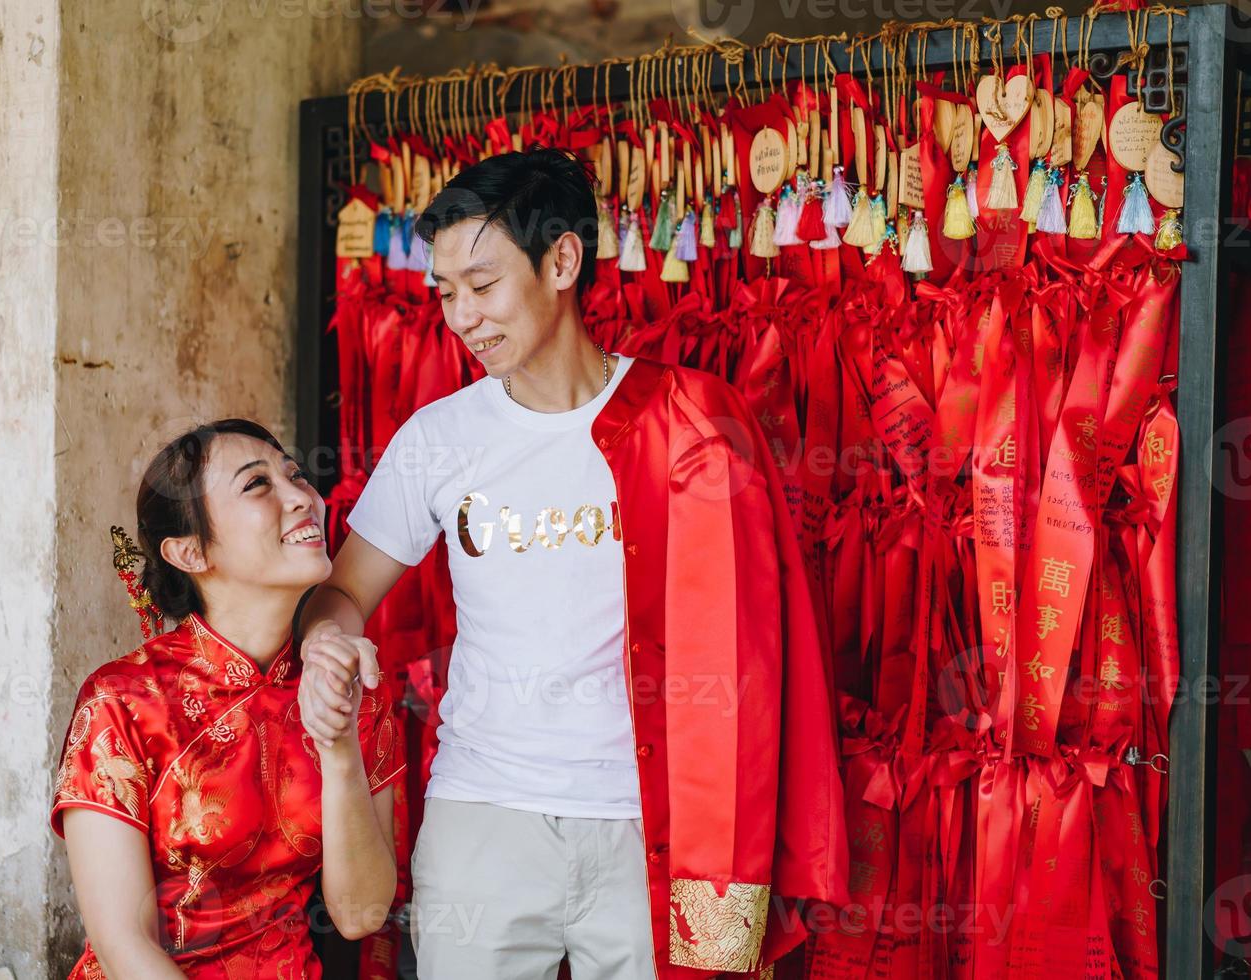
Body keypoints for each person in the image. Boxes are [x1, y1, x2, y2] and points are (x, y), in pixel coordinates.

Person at [297, 148, 848, 979]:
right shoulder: (438, 441)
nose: (461, 317)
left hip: (653, 823)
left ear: (561, 261)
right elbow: (343, 589)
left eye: (482, 286)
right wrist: (324, 644)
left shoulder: (693, 426)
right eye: (446, 293)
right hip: (484, 812)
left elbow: (767, 647)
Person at [51, 419, 404, 979]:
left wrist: (339, 751)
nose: (303, 497)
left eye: (295, 475)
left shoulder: (353, 688)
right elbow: (122, 943)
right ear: (190, 552)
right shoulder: (123, 701)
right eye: (257, 485)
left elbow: (361, 915)